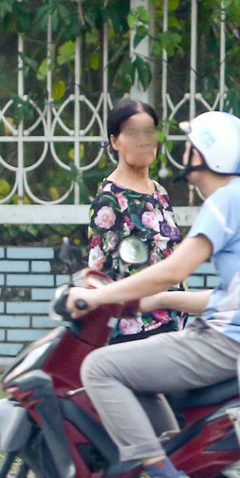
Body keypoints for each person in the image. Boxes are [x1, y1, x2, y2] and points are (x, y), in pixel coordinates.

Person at [65, 110, 240, 478]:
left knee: (100, 367)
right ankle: (175, 466)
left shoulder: (226, 201)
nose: (183, 151)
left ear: (208, 154)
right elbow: (223, 296)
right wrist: (152, 301)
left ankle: (160, 477)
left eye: (193, 145)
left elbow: (173, 269)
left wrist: (100, 296)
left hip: (232, 343)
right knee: (137, 374)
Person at [88, 98, 184, 343]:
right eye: (133, 133)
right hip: (134, 329)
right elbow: (100, 274)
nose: (144, 141)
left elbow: (170, 254)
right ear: (115, 141)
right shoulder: (109, 200)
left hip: (173, 322)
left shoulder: (159, 192)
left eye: (149, 132)